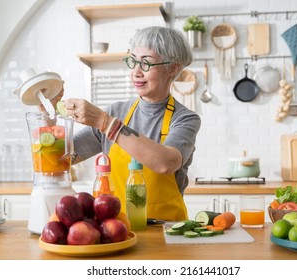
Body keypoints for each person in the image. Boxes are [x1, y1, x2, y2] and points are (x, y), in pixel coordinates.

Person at [51, 26, 201, 221]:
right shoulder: (116, 112)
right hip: (117, 229)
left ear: (172, 68)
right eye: (133, 62)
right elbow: (62, 158)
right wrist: (50, 115)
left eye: (146, 64)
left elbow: (166, 163)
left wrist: (104, 123)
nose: (136, 72)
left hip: (167, 232)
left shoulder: (184, 118)